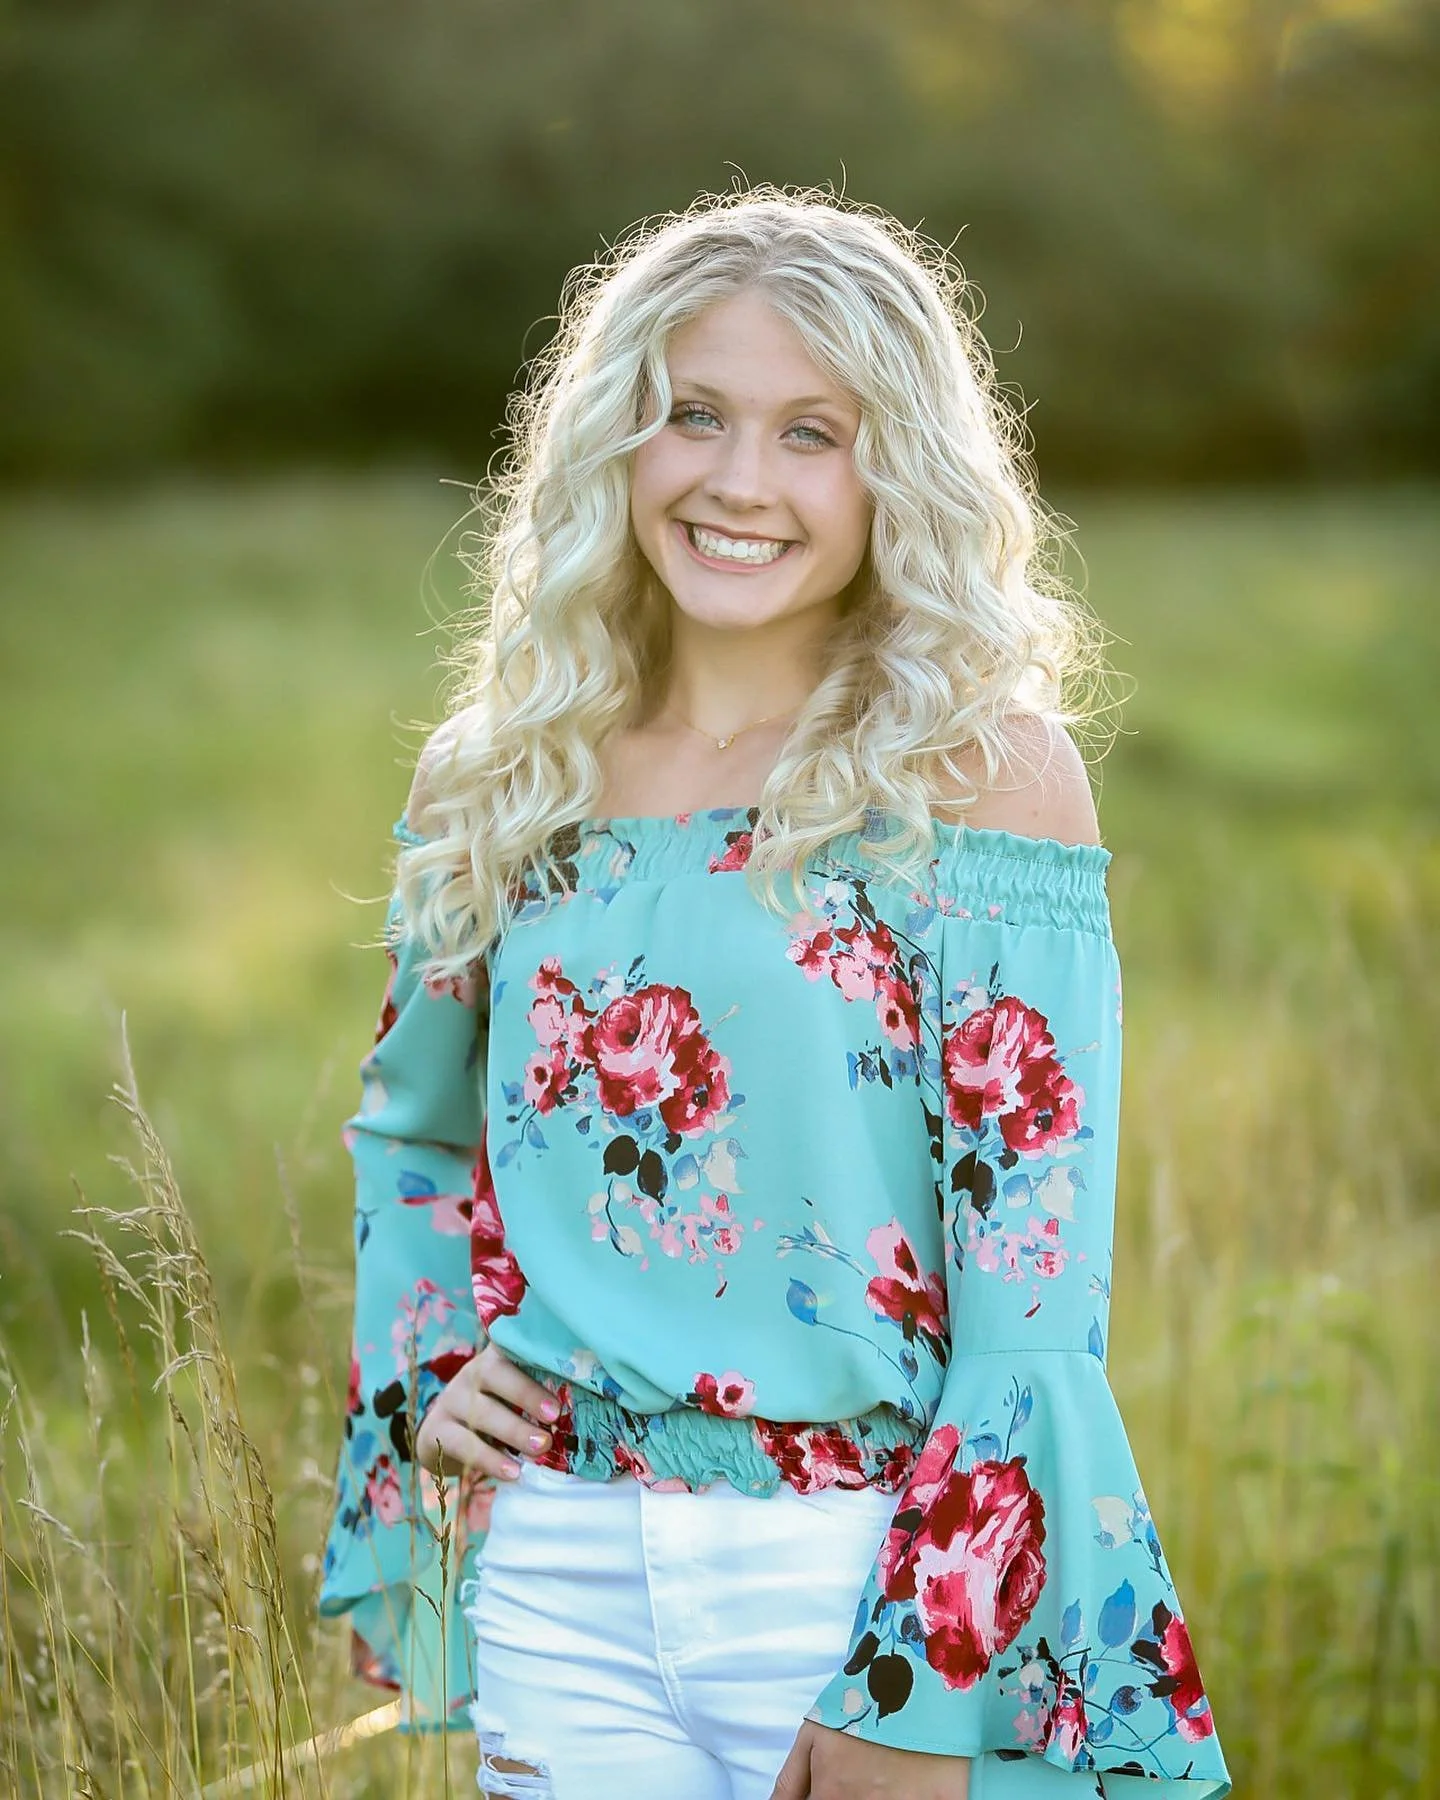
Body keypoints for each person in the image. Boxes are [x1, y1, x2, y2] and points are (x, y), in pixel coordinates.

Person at [318, 187, 1230, 1800]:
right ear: (619, 438)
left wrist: (919, 1681)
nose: (741, 482)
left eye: (814, 431)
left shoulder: (983, 775)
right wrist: (422, 1391)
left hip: (854, 1565)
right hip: (560, 1569)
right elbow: (411, 1135)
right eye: (696, 416)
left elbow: (1036, 1298)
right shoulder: (503, 769)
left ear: (900, 475)